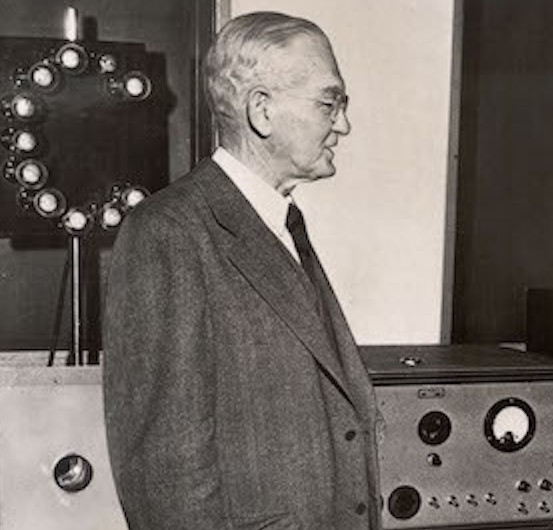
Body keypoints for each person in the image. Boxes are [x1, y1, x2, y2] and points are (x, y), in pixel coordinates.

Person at [103, 12, 380, 530]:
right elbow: (164, 478)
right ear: (262, 111)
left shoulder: (281, 222)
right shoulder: (168, 232)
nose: (343, 124)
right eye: (329, 102)